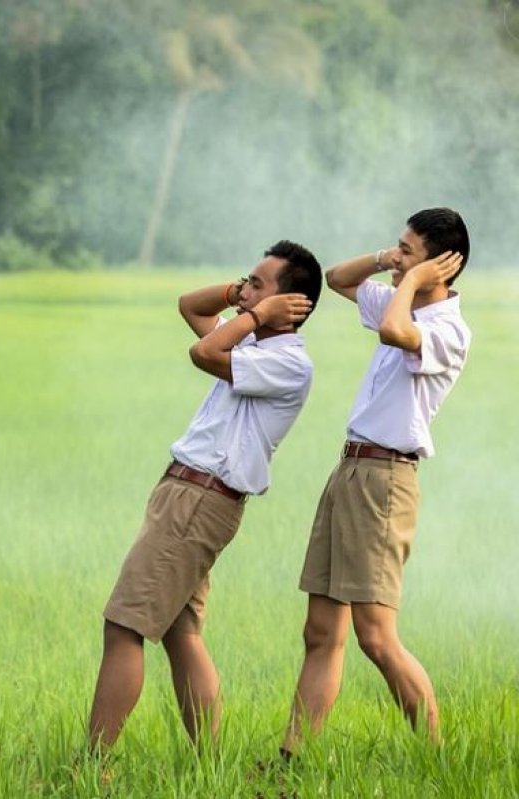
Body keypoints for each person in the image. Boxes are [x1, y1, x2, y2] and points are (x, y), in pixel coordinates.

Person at [88, 241, 323, 749]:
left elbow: (203, 352)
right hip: (188, 494)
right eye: (246, 281)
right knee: (180, 633)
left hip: (199, 499)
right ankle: (210, 763)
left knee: (124, 627)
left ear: (291, 305)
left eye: (259, 283)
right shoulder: (253, 344)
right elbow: (190, 306)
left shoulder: (287, 363)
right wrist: (244, 295)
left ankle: (90, 765)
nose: (244, 292)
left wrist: (256, 312)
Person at [280, 208, 470, 756]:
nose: (396, 257)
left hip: (386, 479)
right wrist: (392, 262)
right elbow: (338, 279)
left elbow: (393, 330)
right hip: (351, 470)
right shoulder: (400, 297)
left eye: (408, 249)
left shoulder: (448, 329)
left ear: (439, 266)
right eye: (398, 247)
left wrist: (411, 280)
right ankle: (292, 758)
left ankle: (437, 758)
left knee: (376, 637)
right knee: (320, 631)